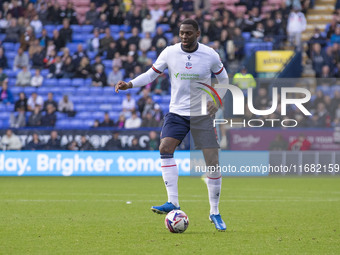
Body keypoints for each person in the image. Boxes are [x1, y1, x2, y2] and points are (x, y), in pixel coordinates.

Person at [115, 19, 228, 231]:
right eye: (181, 33)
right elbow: (151, 75)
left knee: (212, 161)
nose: (184, 36)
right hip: (177, 112)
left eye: (188, 33)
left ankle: (215, 212)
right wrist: (129, 84)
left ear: (197, 33)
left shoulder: (210, 54)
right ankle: (173, 202)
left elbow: (224, 79)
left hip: (202, 114)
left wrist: (217, 100)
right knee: (165, 148)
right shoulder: (169, 52)